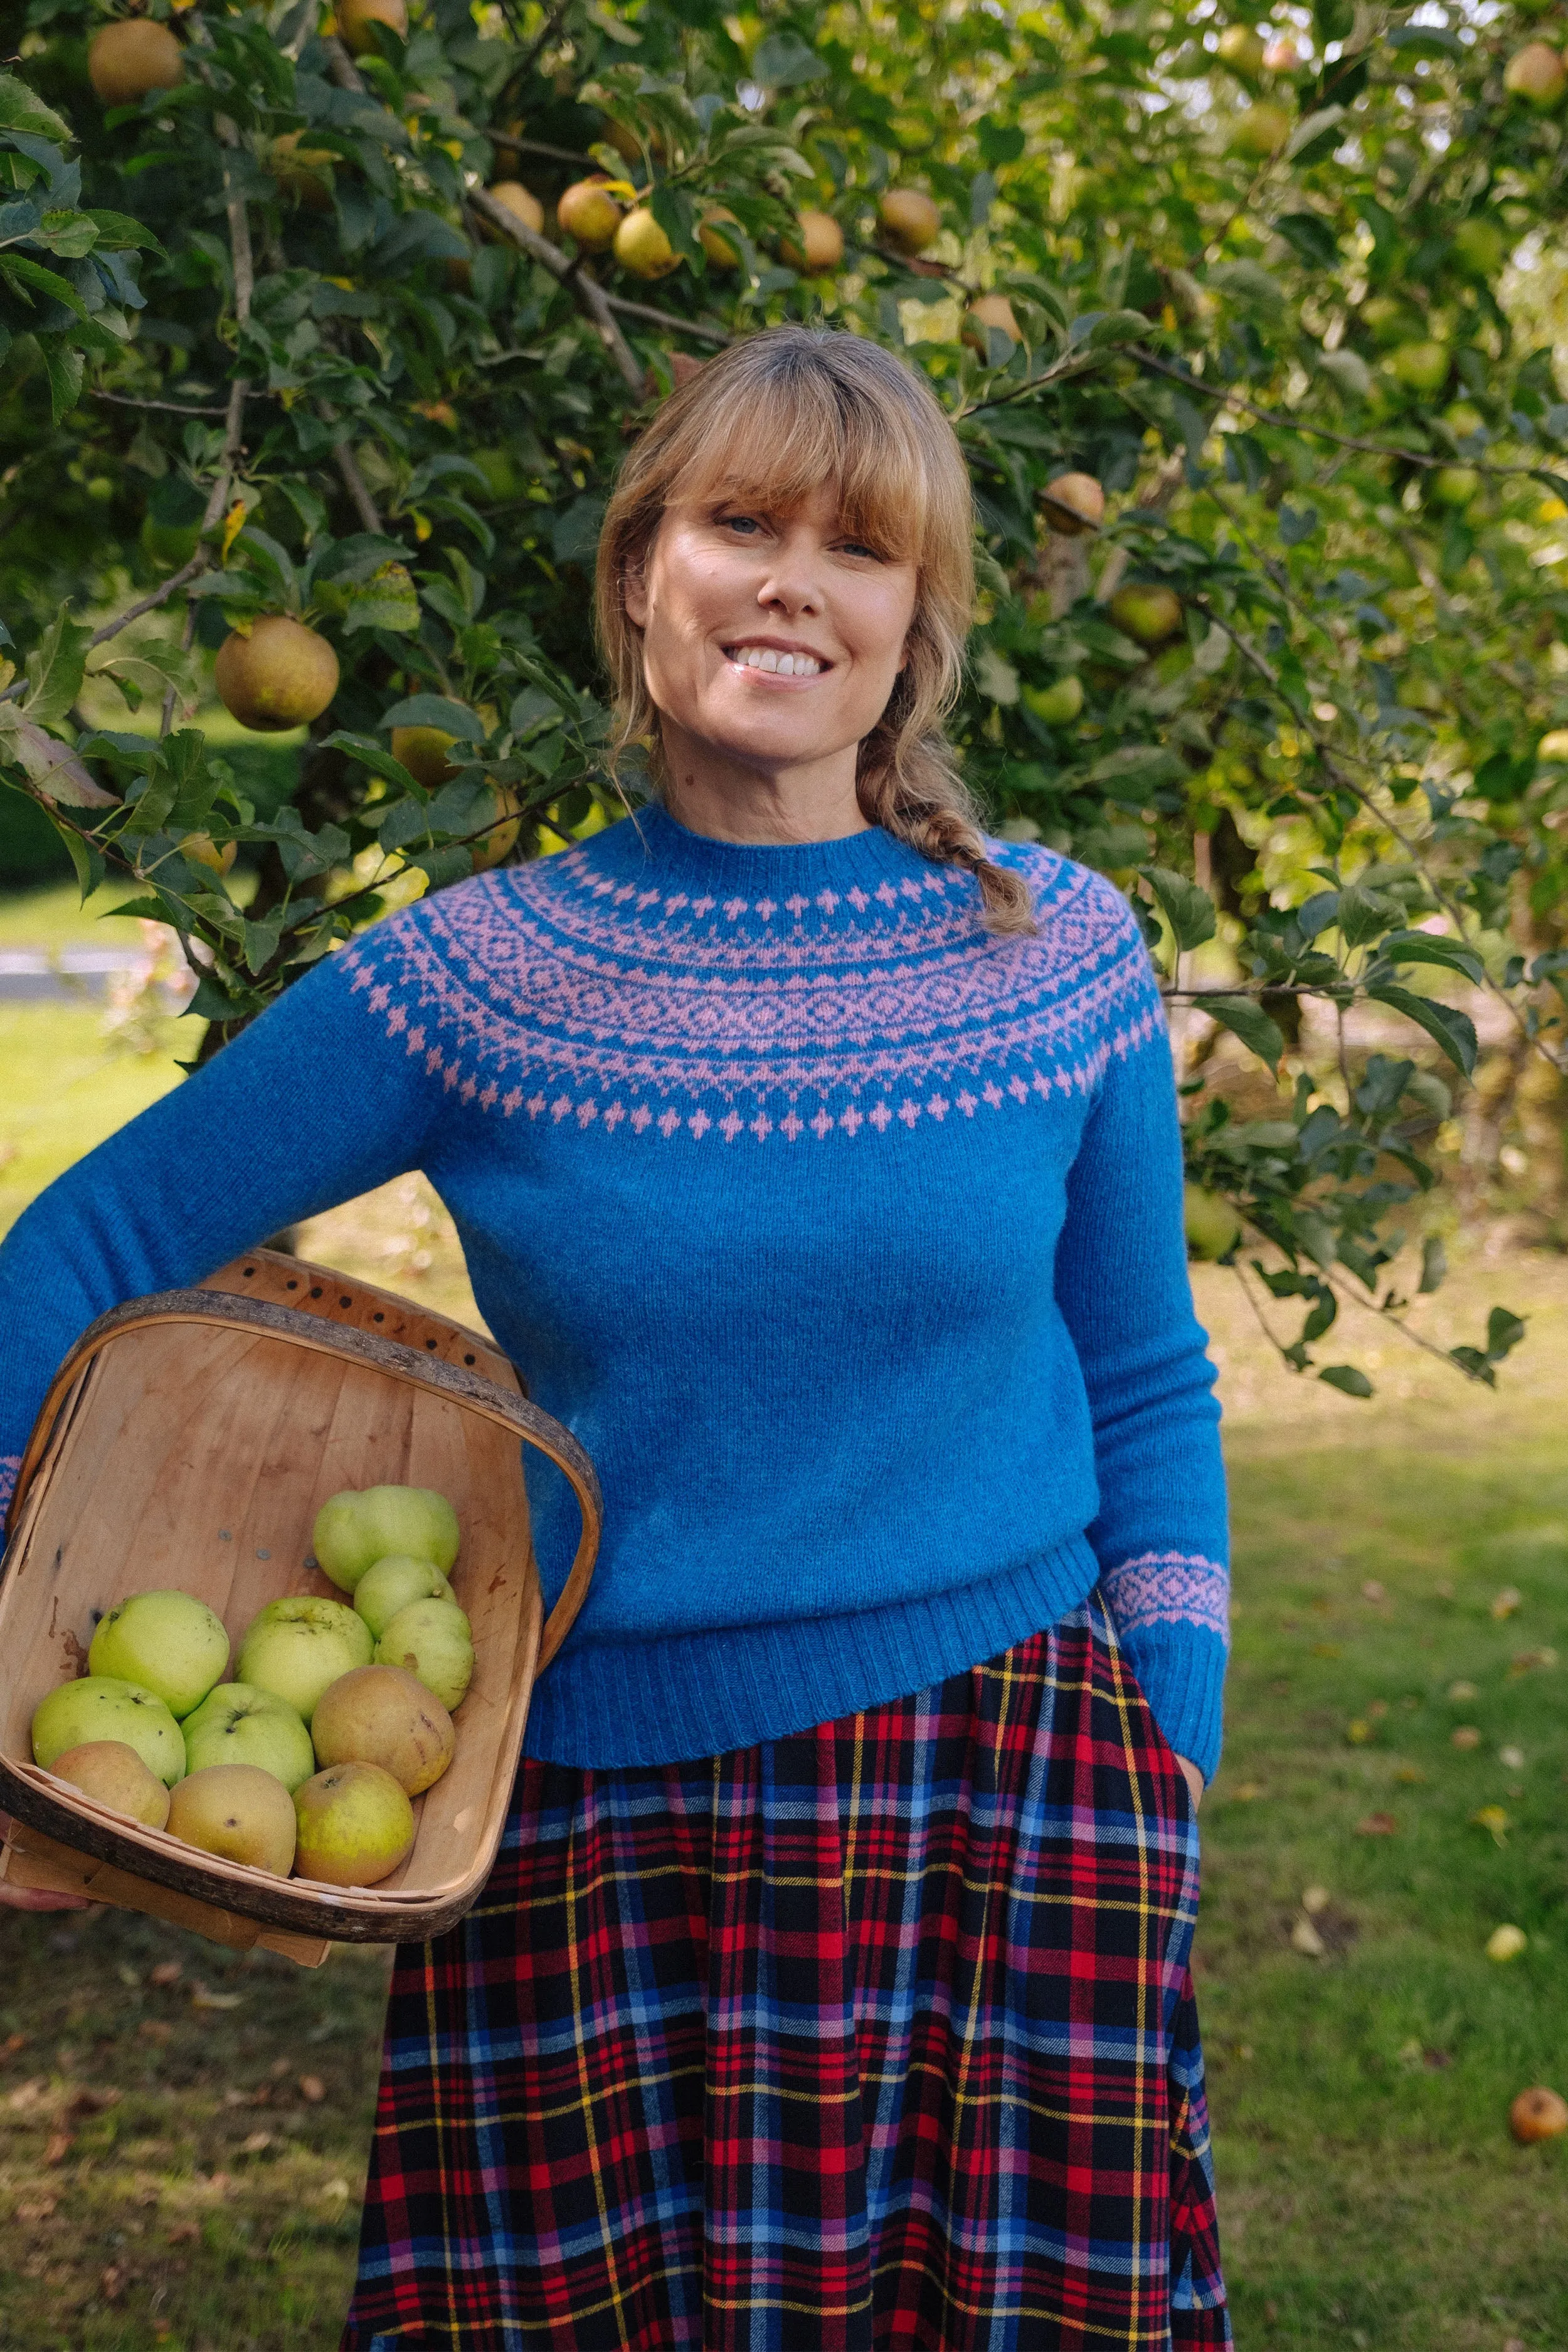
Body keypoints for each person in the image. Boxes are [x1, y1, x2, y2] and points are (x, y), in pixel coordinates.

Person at [0, 324, 1231, 2346]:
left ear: (912, 623)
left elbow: (1145, 1381)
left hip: (1005, 1797)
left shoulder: (1058, 952)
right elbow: (90, 1238)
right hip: (598, 1827)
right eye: (739, 522)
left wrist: (1161, 1763)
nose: (789, 583)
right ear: (639, 571)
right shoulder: (480, 975)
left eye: (858, 547)